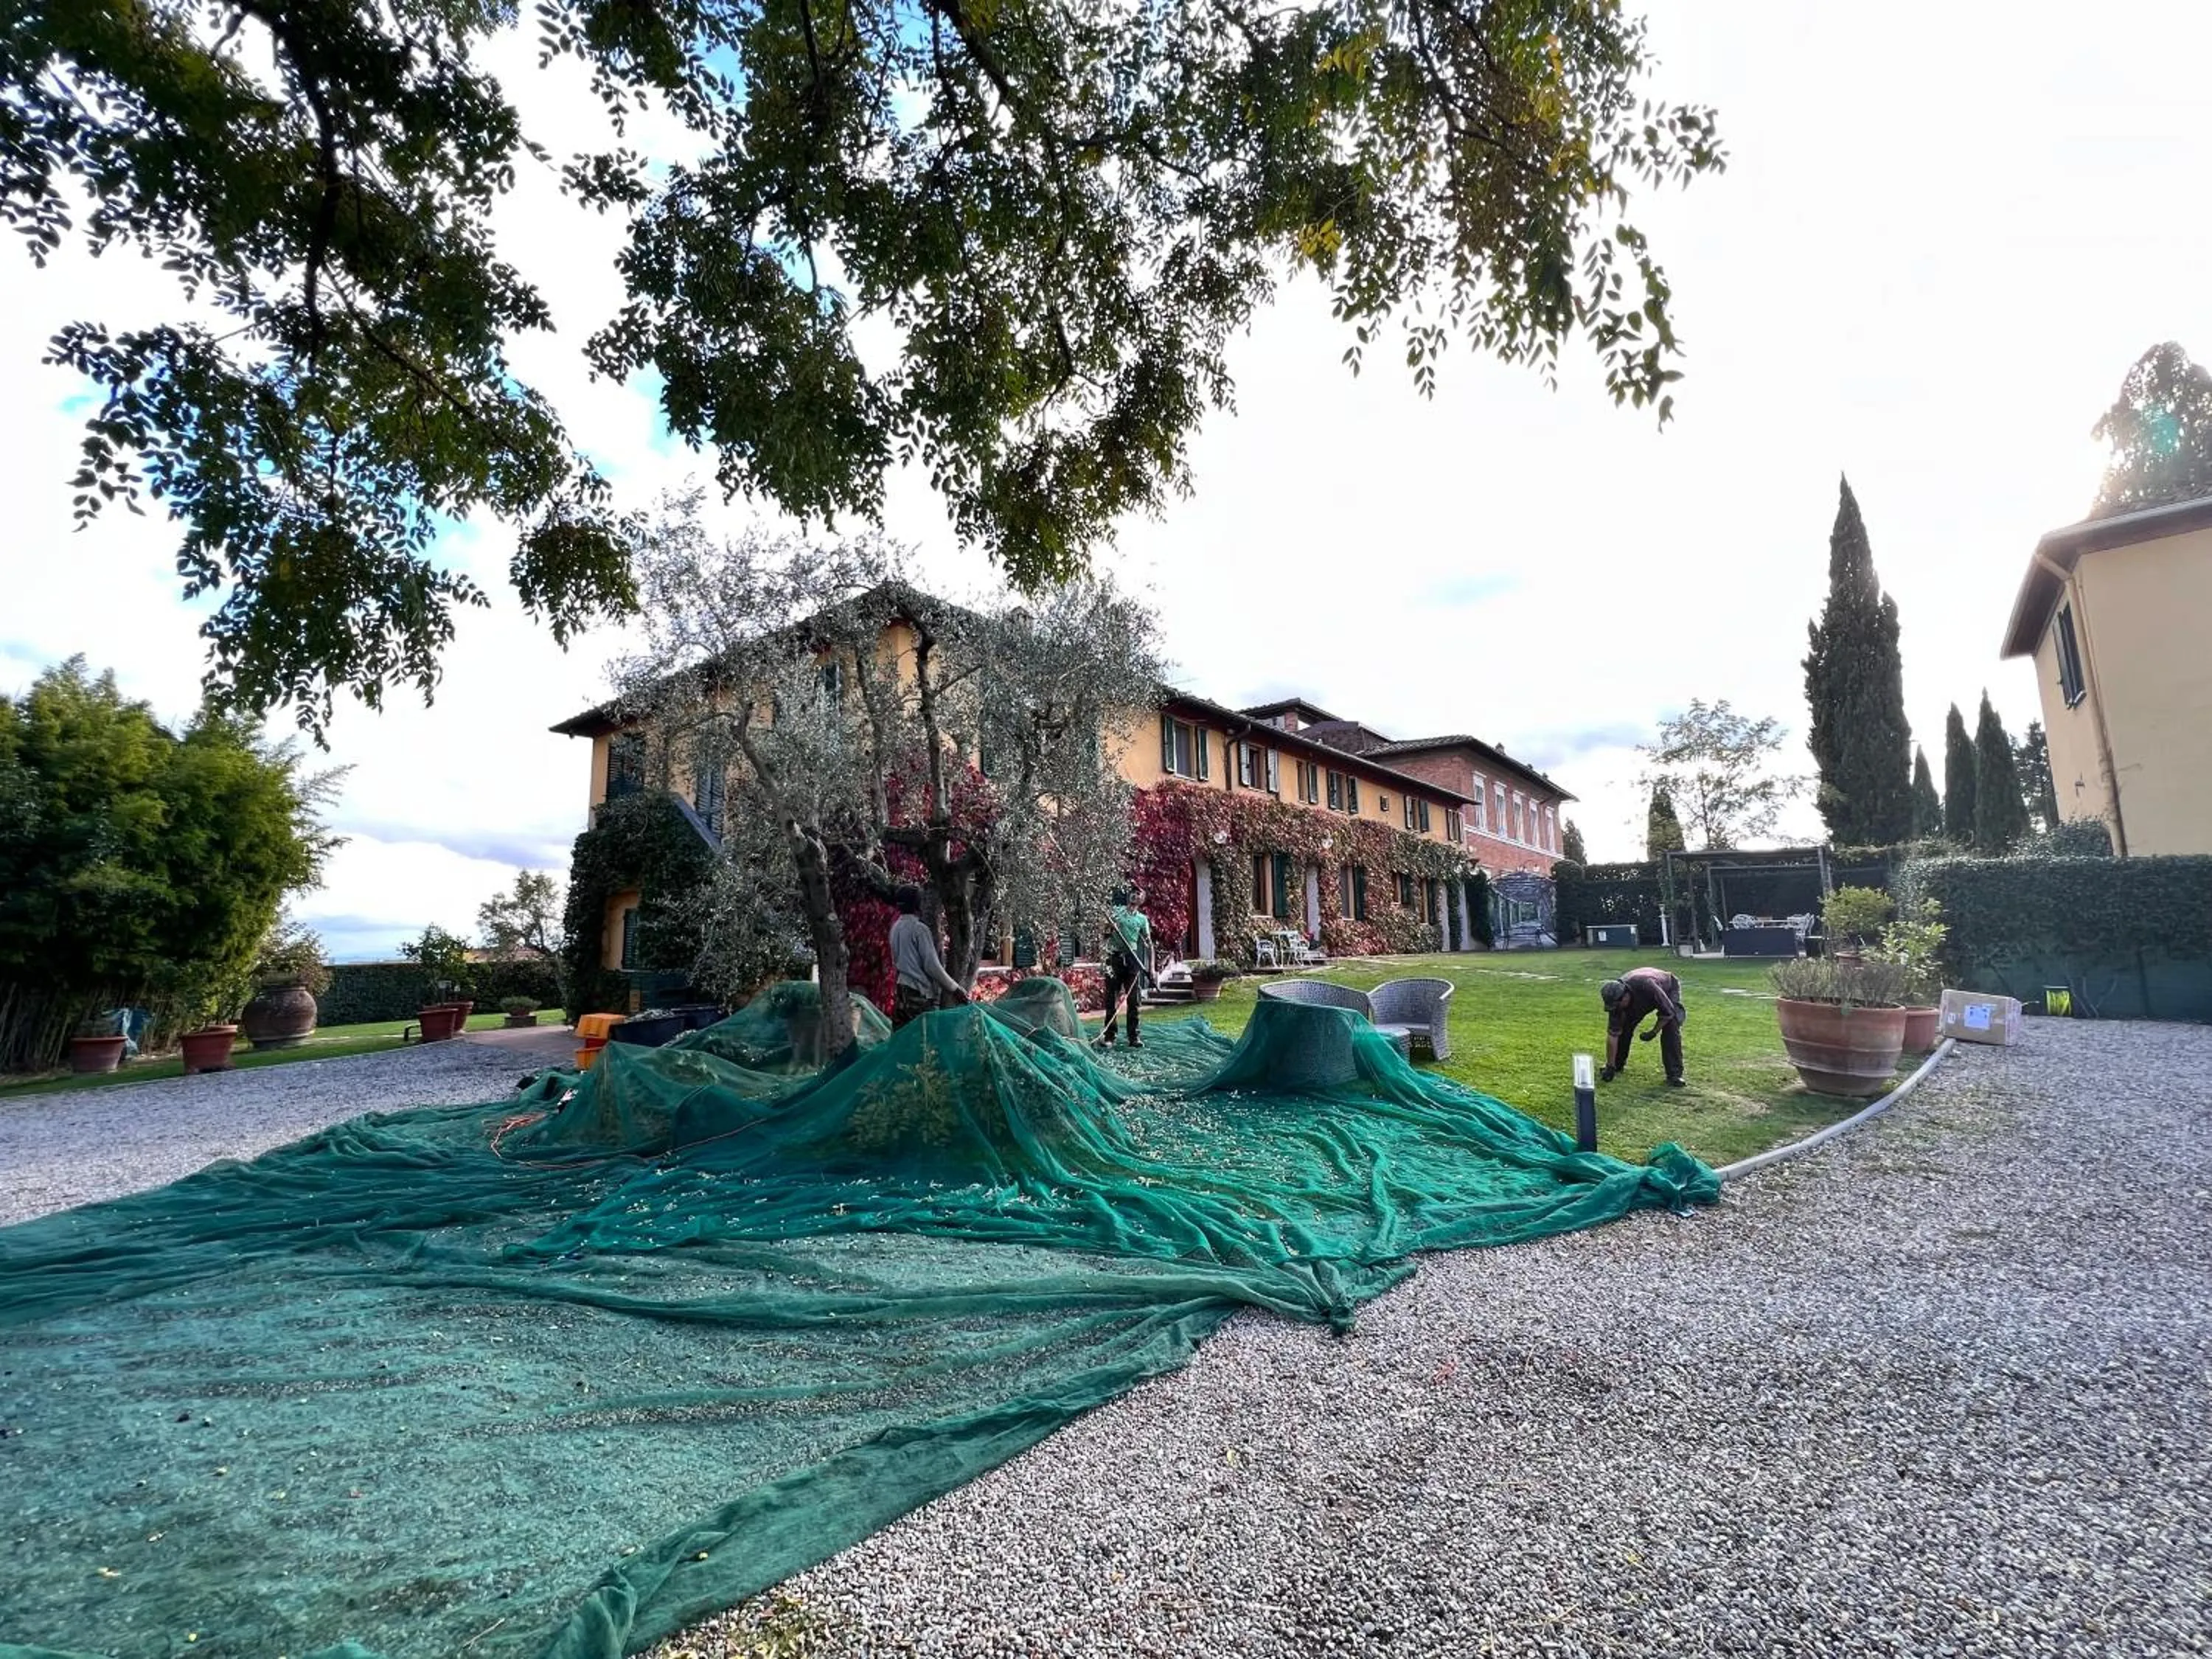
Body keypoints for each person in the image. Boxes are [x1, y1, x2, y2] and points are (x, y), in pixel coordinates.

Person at [888, 885, 967, 1028]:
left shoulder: (896, 927)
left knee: (903, 1038)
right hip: (919, 993)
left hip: (901, 991)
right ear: (917, 904)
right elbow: (931, 966)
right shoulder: (919, 929)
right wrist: (955, 988)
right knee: (925, 1042)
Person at [1599, 965, 1687, 1086]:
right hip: (1640, 994)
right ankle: (1617, 1065)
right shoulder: (1616, 1001)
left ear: (1625, 996)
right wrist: (1610, 1066)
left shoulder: (1647, 986)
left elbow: (1668, 1012)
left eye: (1618, 1005)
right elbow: (1613, 1035)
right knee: (1625, 1026)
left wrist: (1653, 1032)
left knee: (1671, 1027)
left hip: (1667, 988)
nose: (1616, 1009)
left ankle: (1675, 1075)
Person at [1097, 885, 1154, 1048]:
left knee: (1134, 999)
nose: (1135, 896)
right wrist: (1110, 928)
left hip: (1132, 959)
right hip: (1114, 958)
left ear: (1142, 899)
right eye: (1133, 893)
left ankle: (1134, 1037)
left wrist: (1152, 968)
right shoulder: (1116, 913)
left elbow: (1148, 943)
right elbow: (1105, 935)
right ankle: (1110, 1037)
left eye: (1138, 893)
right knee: (1111, 999)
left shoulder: (1142, 920)